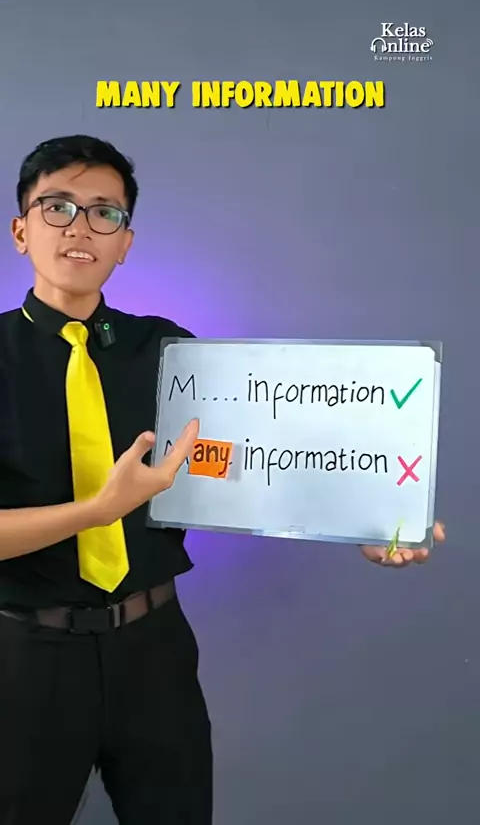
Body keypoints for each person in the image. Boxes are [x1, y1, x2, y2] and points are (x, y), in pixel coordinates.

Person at [0, 134, 446, 825]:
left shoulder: (171, 352)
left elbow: (255, 459)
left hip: (153, 651)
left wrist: (366, 517)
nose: (80, 227)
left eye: (104, 213)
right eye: (57, 207)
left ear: (125, 243)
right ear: (21, 230)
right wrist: (96, 510)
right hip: (25, 658)